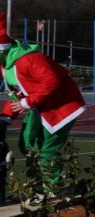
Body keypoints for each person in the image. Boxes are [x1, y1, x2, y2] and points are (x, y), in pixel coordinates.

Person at [0, 12, 87, 189]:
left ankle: (52, 188)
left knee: (48, 148)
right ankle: (36, 185)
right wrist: (6, 116)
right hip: (40, 106)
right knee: (29, 144)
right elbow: (15, 92)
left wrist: (27, 102)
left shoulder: (29, 59)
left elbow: (51, 80)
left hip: (61, 106)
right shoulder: (5, 65)